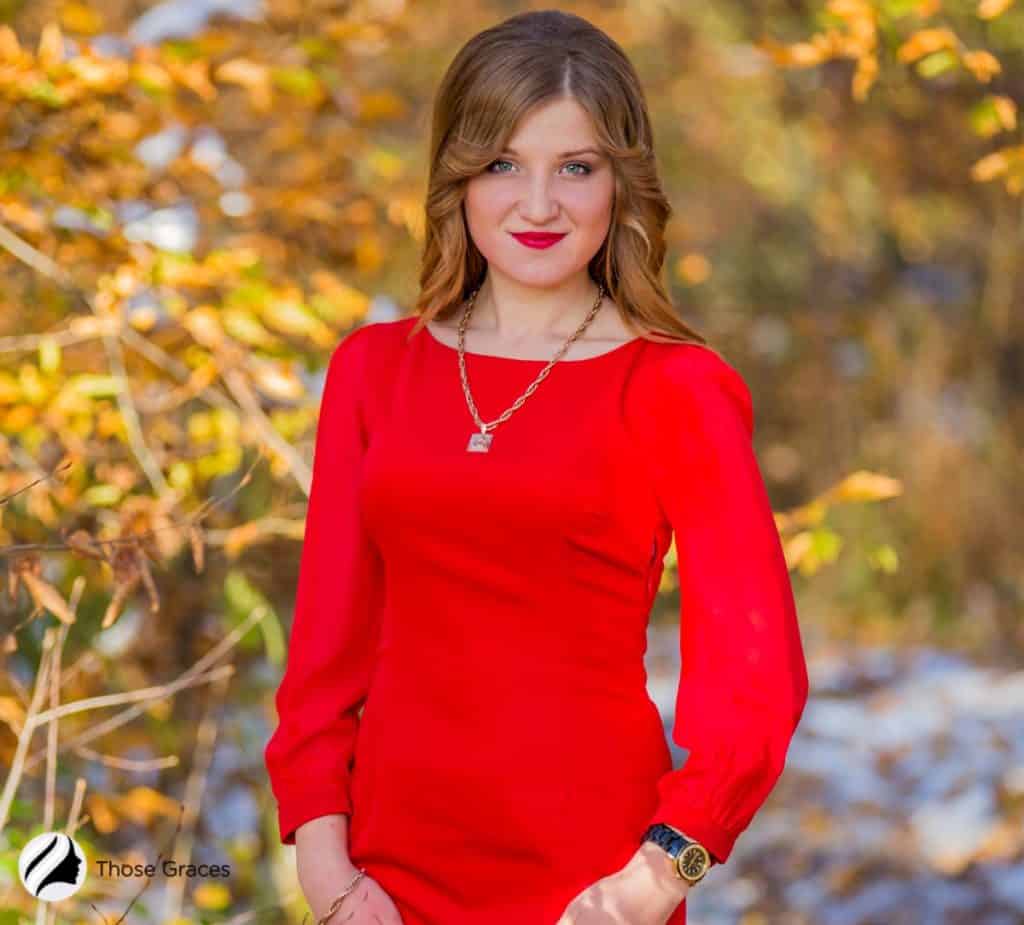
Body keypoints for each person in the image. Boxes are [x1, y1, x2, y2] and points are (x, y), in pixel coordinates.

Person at [264, 9, 809, 925]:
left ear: (622, 183)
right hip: (380, 881)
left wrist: (652, 882)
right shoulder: (374, 369)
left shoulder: (678, 388)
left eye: (577, 168)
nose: (539, 204)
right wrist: (328, 874)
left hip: (589, 885)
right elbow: (325, 651)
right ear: (458, 178)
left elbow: (757, 676)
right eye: (503, 164)